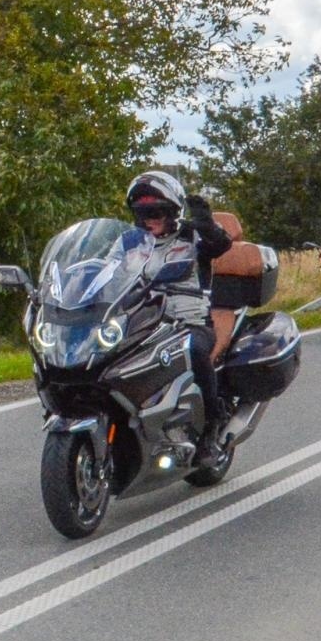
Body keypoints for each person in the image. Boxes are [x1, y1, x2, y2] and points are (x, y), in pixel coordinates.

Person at [123, 170, 233, 465]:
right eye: (142, 213)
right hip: (142, 322)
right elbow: (101, 272)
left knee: (193, 350)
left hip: (190, 322)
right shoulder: (128, 243)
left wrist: (208, 226)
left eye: (156, 212)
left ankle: (211, 426)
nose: (149, 220)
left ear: (172, 212)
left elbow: (221, 245)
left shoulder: (191, 236)